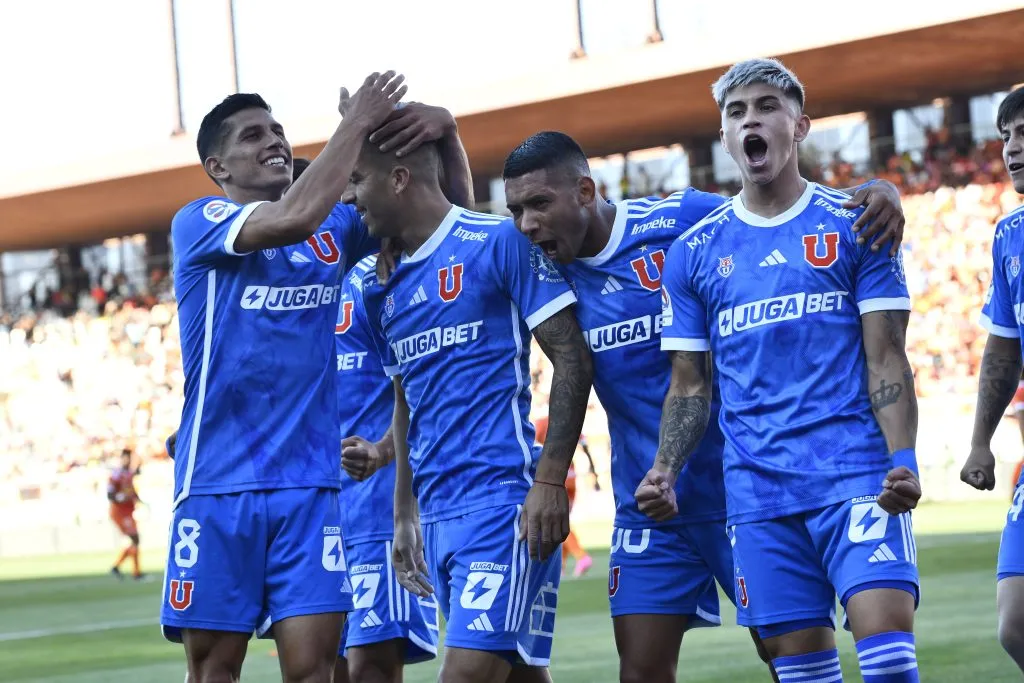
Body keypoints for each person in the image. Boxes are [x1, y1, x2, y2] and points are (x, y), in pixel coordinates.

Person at [501, 130, 906, 683]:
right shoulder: (543, 268)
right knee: (639, 670)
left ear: (586, 191)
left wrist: (877, 189)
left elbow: (775, 214)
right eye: (517, 210)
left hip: (742, 489)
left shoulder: (682, 220)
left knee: (789, 658)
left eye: (539, 204)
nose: (527, 223)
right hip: (649, 500)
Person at [162, 71, 472, 683]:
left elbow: (445, 219)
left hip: (312, 489)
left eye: (277, 128)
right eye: (253, 135)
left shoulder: (336, 234)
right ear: (216, 166)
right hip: (219, 483)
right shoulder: (198, 222)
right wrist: (355, 123)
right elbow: (295, 216)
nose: (273, 140)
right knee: (215, 669)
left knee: (314, 670)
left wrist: (444, 131)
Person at [648, 57, 922, 683]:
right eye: (737, 112)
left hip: (856, 478)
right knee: (805, 677)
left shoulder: (856, 224)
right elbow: (691, 385)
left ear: (799, 126)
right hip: (759, 497)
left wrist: (902, 456)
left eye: (767, 106)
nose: (752, 120)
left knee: (888, 663)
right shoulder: (694, 253)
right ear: (724, 136)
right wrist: (665, 468)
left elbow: (887, 355)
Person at [349, 134, 593, 682]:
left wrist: (549, 482)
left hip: (503, 507)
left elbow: (572, 357)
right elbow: (405, 403)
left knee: (463, 676)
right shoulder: (379, 288)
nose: (347, 197)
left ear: (399, 177)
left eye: (356, 179)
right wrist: (404, 516)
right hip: (435, 517)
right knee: (519, 676)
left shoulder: (496, 242)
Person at [331, 255, 440, 683]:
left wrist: (379, 452)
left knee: (369, 667)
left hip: (375, 507)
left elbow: (417, 390)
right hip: (316, 508)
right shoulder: (293, 283)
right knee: (320, 665)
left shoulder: (377, 277)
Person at [960, 85, 1024, 675]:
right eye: (1006, 137)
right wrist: (981, 441)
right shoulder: (1009, 235)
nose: (1013, 149)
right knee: (1016, 622)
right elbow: (1004, 349)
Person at [534, 412, 593, 578]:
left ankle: (581, 556)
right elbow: (584, 443)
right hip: (571, 473)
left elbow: (533, 444)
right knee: (561, 519)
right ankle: (561, 566)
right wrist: (593, 470)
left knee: (556, 522)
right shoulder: (568, 419)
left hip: (554, 474)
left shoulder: (542, 422)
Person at [108, 448, 144, 581]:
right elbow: (110, 495)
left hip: (128, 512)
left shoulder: (129, 475)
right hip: (120, 512)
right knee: (135, 539)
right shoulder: (116, 475)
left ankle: (118, 568)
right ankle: (135, 573)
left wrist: (140, 501)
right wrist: (120, 497)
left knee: (135, 540)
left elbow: (133, 492)